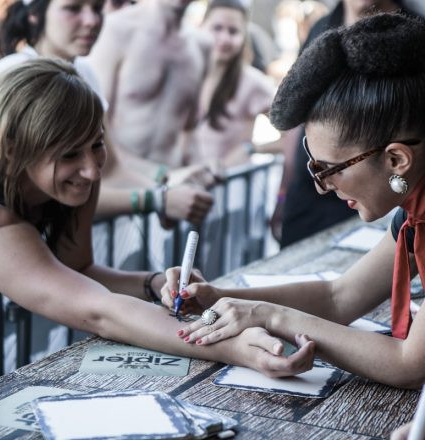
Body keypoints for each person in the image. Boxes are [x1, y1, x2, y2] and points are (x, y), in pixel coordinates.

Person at [0, 58, 315, 376]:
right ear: (14, 148)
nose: (90, 169)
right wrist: (231, 345)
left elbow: (79, 271)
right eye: (69, 154)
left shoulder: (77, 180)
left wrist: (155, 283)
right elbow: (97, 311)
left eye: (97, 145)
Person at [161, 12, 425, 387]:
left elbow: (408, 364)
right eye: (315, 168)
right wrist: (218, 298)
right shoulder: (413, 216)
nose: (322, 186)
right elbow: (340, 297)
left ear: (396, 159)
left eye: (331, 169)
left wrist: (270, 315)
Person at [0, 0, 215, 226]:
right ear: (35, 15)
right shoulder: (12, 74)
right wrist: (157, 198)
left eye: (97, 8)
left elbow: (112, 168)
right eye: (73, 8)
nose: (91, 20)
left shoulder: (85, 72)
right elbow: (38, 183)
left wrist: (166, 184)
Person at [279, 0, 412, 247]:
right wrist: (283, 191)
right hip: (309, 205)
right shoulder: (321, 27)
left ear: (396, 159)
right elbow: (344, 288)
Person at [85, 0, 209, 168]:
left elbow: (189, 129)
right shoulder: (117, 28)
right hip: (121, 178)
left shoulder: (202, 46)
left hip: (172, 175)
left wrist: (202, 165)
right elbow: (96, 121)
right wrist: (155, 175)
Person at [186, 0, 282, 170]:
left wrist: (251, 148)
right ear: (202, 27)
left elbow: (294, 134)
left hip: (231, 187)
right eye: (217, 28)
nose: (224, 38)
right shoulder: (186, 74)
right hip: (186, 187)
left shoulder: (252, 82)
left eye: (233, 31)